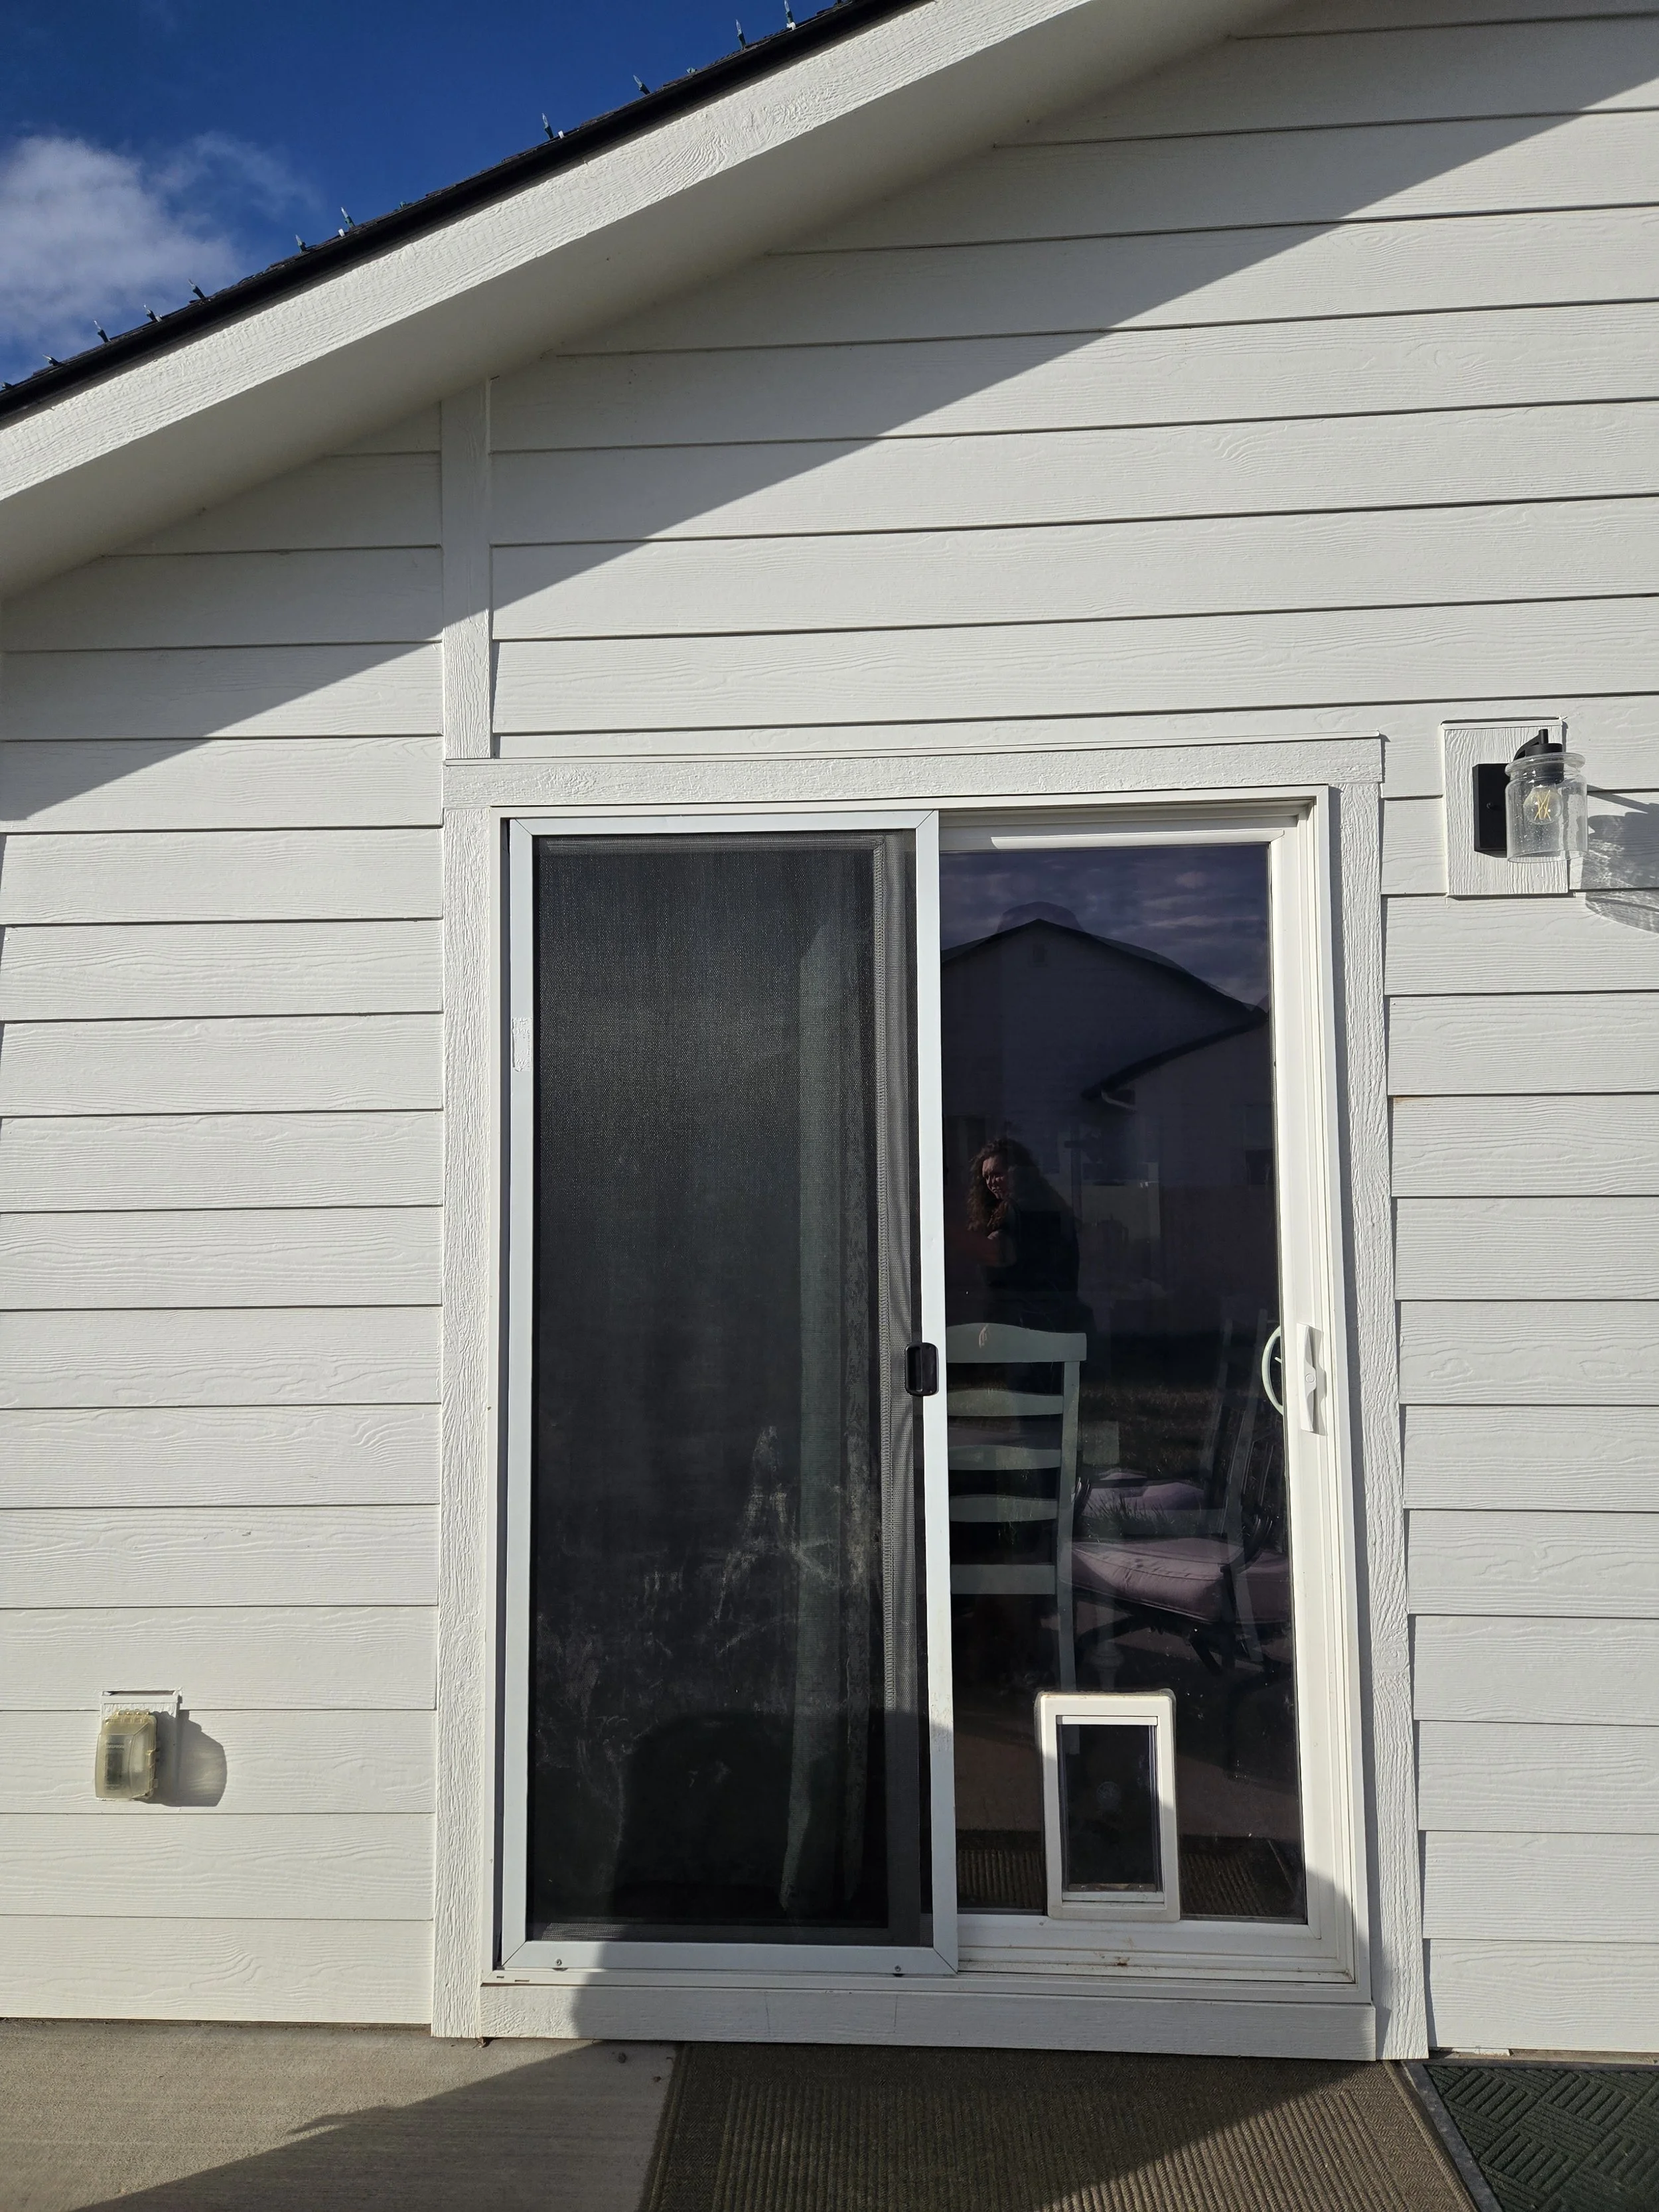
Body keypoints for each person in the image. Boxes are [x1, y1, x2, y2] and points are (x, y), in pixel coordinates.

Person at [963, 1137, 1093, 1335]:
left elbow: (1000, 1258)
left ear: (1016, 1172)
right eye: (987, 1177)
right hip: (1052, 1320)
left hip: (1031, 1323)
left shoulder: (1021, 1210)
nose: (991, 1183)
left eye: (998, 1174)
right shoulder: (1047, 1204)